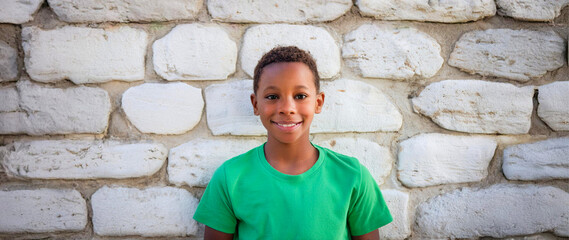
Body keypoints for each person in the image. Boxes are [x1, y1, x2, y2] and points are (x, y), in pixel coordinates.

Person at [193, 46, 392, 240]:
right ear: (255, 104)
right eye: (272, 97)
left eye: (300, 96)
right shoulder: (230, 178)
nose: (287, 108)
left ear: (318, 103)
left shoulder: (352, 176)